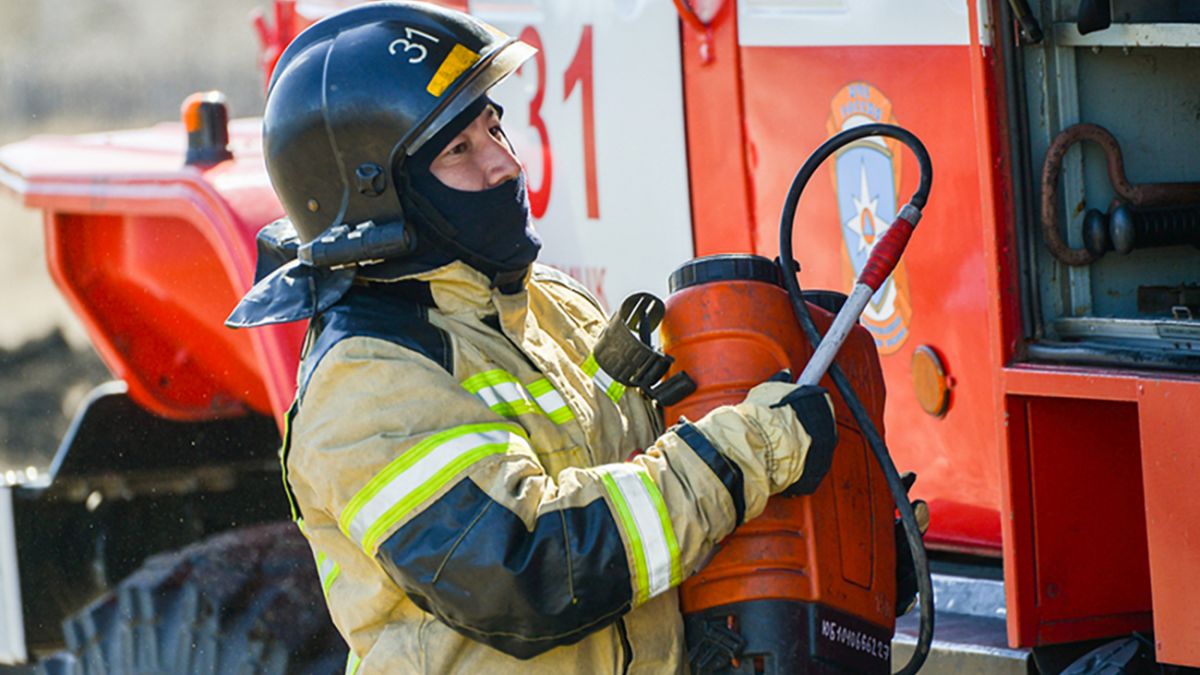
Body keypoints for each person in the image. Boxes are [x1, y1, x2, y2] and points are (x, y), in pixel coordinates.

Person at [227, 3, 837, 673]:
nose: (506, 166)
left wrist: (824, 541)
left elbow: (645, 513)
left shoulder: (548, 304)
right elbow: (531, 572)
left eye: (495, 128)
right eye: (459, 150)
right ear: (379, 193)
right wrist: (749, 450)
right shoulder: (367, 382)